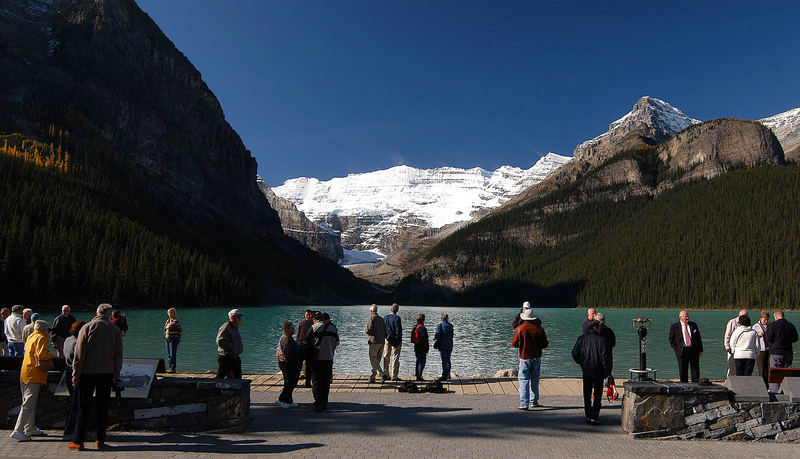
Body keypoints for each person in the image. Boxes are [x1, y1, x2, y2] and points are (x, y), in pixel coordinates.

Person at [68, 304, 123, 451]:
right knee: (102, 407)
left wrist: (75, 373)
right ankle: (100, 440)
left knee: (84, 406)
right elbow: (118, 354)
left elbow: (79, 354)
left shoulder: (87, 327)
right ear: (109, 314)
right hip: (107, 373)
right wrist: (116, 374)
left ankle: (78, 441)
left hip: (87, 373)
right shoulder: (115, 330)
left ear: (97, 313)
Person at [9, 320, 54, 442]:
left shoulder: (31, 337)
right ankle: (17, 430)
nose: (48, 332)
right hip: (34, 374)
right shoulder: (42, 338)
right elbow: (42, 355)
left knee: (29, 402)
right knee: (28, 404)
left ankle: (30, 427)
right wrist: (51, 355)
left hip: (25, 373)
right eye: (48, 330)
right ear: (44, 329)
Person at [572, 320, 611, 425]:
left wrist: (581, 363)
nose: (600, 329)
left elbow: (575, 353)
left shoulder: (581, 339)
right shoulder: (602, 340)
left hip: (586, 370)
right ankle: (595, 416)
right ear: (595, 328)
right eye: (599, 327)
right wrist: (607, 372)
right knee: (598, 395)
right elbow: (605, 358)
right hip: (599, 371)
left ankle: (588, 416)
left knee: (587, 394)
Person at [512, 308, 549, 410]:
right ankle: (534, 401)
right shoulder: (539, 329)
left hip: (524, 357)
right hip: (536, 357)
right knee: (535, 379)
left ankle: (524, 403)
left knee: (523, 380)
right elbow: (545, 344)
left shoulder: (520, 329)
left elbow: (514, 343)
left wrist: (521, 344)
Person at [310, 312, 339, 412]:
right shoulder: (333, 328)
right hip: (328, 357)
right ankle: (324, 402)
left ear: (317, 319)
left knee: (316, 381)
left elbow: (307, 340)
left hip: (316, 358)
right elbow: (337, 341)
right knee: (326, 381)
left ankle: (318, 403)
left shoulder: (313, 327)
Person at [62, 320, 86, 440]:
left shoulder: (68, 339)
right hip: (75, 373)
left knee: (73, 401)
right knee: (76, 403)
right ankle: (70, 430)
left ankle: (69, 429)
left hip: (67, 371)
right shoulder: (77, 342)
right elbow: (77, 357)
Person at [765, 310, 798, 393]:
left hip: (776, 352)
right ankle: (788, 391)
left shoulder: (773, 325)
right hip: (788, 353)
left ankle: (774, 392)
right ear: (783, 316)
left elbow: (768, 337)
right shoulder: (790, 326)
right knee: (787, 373)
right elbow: (795, 339)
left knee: (774, 373)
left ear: (776, 317)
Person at [669, 310, 704, 383]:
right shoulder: (674, 326)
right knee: (683, 368)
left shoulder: (693, 325)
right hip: (682, 350)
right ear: (680, 317)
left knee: (695, 367)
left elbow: (698, 338)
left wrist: (700, 350)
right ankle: (684, 383)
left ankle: (695, 381)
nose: (687, 317)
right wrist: (677, 349)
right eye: (685, 316)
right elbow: (671, 339)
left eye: (687, 316)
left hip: (693, 349)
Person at [275, 321, 300, 408]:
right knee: (289, 381)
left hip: (287, 362)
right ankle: (281, 399)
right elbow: (288, 353)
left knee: (290, 381)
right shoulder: (286, 339)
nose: (294, 329)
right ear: (287, 329)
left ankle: (288, 400)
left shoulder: (289, 338)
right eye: (292, 328)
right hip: (286, 363)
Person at [215, 309, 244, 379]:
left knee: (237, 378)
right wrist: (231, 348)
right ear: (232, 318)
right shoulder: (226, 327)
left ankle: (234, 390)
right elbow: (219, 341)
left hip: (235, 357)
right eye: (238, 317)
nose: (240, 319)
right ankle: (212, 389)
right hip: (226, 357)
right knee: (220, 377)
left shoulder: (235, 328)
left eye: (240, 317)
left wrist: (239, 349)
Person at [365, 304, 388, 382]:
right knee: (377, 360)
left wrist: (367, 332)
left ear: (371, 311)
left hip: (374, 341)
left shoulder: (371, 318)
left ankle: (382, 374)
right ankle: (373, 377)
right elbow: (385, 331)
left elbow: (368, 330)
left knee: (373, 359)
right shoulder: (381, 319)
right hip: (382, 341)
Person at [724, 310, 748, 376]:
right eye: (744, 316)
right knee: (732, 368)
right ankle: (728, 381)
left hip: (742, 349)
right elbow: (727, 335)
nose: (746, 317)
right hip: (732, 349)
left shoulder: (747, 323)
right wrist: (727, 346)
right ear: (739, 315)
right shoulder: (732, 322)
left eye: (746, 316)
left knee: (741, 368)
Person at [595, 312, 616, 385]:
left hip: (598, 357)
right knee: (608, 373)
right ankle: (612, 389)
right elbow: (613, 344)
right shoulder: (610, 331)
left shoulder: (596, 332)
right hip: (608, 356)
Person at [383, 303, 403, 381]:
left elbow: (383, 329)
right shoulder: (397, 318)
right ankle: (394, 376)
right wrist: (398, 341)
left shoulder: (385, 317)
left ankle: (386, 374)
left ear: (390, 309)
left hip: (387, 339)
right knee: (395, 358)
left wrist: (386, 337)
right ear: (397, 310)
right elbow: (399, 331)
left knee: (386, 356)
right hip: (395, 340)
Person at [296, 309, 315, 387]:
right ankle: (307, 383)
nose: (308, 316)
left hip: (304, 345)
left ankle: (301, 383)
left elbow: (298, 335)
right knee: (305, 365)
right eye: (307, 314)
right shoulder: (312, 324)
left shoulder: (302, 323)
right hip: (305, 345)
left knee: (301, 365)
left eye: (309, 315)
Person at [752, 311, 770, 388]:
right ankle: (762, 386)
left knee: (768, 369)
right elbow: (752, 336)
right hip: (760, 351)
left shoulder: (769, 326)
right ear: (761, 318)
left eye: (767, 319)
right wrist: (758, 335)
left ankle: (768, 385)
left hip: (768, 350)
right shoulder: (755, 326)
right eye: (764, 319)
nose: (766, 321)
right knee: (761, 369)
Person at [434, 314, 454, 381]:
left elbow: (437, 334)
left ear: (442, 319)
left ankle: (444, 376)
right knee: (448, 360)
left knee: (444, 361)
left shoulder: (440, 325)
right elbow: (452, 335)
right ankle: (448, 375)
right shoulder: (451, 325)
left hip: (442, 346)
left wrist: (435, 338)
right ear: (447, 319)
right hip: (449, 345)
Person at [164, 308, 182, 373]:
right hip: (167, 339)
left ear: (174, 313)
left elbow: (180, 331)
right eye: (169, 313)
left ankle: (173, 368)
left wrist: (179, 338)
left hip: (174, 339)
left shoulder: (176, 321)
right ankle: (170, 368)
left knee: (172, 354)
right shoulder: (167, 321)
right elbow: (165, 330)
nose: (170, 314)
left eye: (172, 313)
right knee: (169, 354)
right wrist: (165, 337)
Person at [411, 314, 429, 381]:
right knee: (422, 362)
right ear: (423, 320)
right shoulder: (422, 328)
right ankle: (419, 376)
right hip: (422, 347)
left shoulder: (415, 327)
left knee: (418, 361)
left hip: (416, 346)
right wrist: (427, 347)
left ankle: (417, 374)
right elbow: (425, 339)